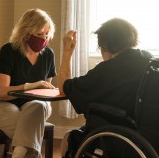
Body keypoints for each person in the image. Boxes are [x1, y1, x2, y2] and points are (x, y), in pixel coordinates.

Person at [58, 18, 153, 157]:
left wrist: (67, 52)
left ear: (106, 46)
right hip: (144, 137)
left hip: (117, 136)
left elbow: (64, 86)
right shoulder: (148, 59)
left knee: (68, 137)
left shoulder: (107, 70)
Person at [0, 8, 56, 158]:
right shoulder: (9, 50)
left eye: (47, 34)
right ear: (26, 32)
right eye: (39, 34)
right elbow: (1, 93)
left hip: (34, 107)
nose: (44, 38)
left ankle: (18, 154)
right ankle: (25, 154)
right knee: (28, 129)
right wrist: (31, 86)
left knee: (40, 106)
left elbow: (45, 94)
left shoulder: (48, 54)